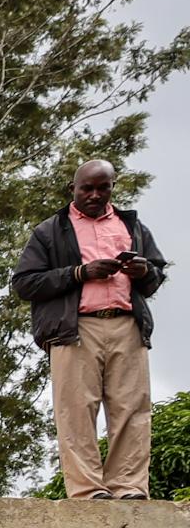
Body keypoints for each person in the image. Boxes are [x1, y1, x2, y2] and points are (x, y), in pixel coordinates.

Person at [13, 158, 167, 500]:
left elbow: (155, 277)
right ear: (73, 189)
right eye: (87, 188)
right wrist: (80, 273)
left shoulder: (133, 227)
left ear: (113, 187)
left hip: (127, 325)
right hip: (75, 330)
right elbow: (24, 284)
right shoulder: (51, 230)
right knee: (76, 410)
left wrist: (143, 272)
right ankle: (87, 491)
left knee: (133, 408)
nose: (95, 195)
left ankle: (128, 487)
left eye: (103, 187)